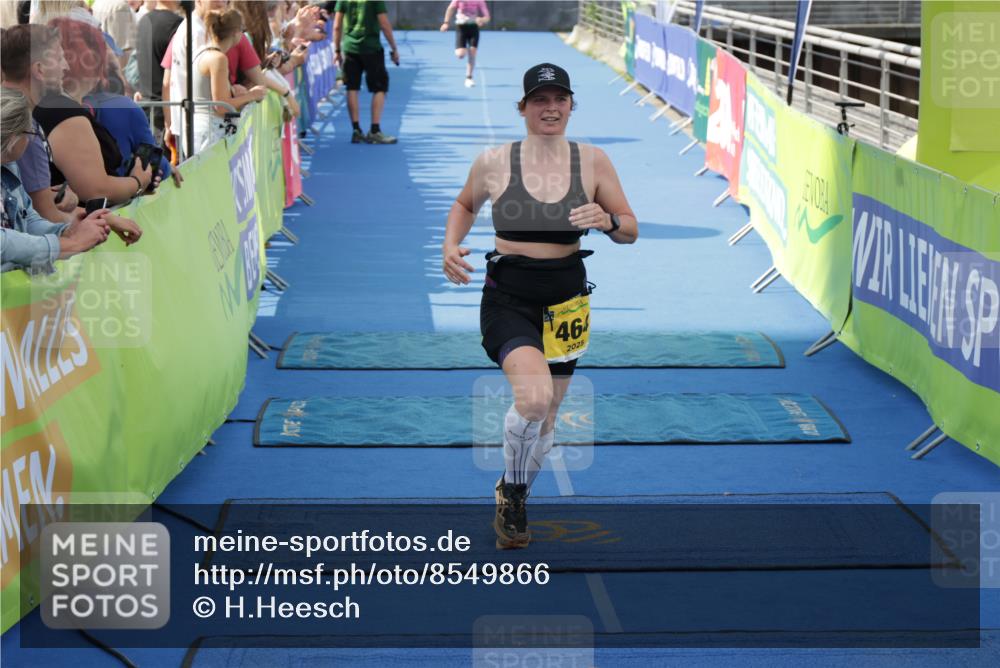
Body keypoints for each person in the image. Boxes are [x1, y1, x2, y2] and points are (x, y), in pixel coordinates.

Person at [442, 64, 638, 549]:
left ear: (571, 105)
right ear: (524, 107)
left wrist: (608, 220)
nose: (551, 108)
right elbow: (465, 205)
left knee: (546, 419)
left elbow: (631, 229)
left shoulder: (593, 161)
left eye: (560, 99)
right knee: (532, 399)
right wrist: (450, 245)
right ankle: (513, 492)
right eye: (540, 100)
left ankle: (514, 492)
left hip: (567, 302)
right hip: (509, 296)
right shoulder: (494, 161)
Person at [35, 16, 154, 204]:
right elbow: (96, 190)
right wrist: (138, 181)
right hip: (83, 226)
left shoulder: (56, 106)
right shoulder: (63, 113)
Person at [1, 88, 117, 274]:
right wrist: (71, 243)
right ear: (13, 137)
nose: (32, 140)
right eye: (30, 133)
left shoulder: (9, 165)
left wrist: (66, 231)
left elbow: (28, 218)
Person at [0, 23, 80, 222]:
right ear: (39, 69)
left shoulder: (21, 118)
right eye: (59, 58)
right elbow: (44, 216)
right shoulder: (25, 129)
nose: (66, 67)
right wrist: (97, 222)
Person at [191, 9, 266, 151]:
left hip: (203, 129)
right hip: (209, 133)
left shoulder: (204, 52)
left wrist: (233, 91)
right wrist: (252, 95)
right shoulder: (218, 59)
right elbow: (221, 106)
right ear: (237, 33)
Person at [332, 0, 399, 144]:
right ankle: (374, 130)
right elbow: (384, 24)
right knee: (380, 87)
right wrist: (394, 48)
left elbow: (337, 26)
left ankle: (356, 130)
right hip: (371, 48)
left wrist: (337, 50)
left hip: (350, 48)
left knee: (351, 87)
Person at [134, 0, 182, 138]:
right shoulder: (177, 24)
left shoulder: (144, 20)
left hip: (147, 107)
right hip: (167, 112)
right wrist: (170, 123)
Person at [439, 0, 489, 88]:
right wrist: (446, 23)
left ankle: (469, 77)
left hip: (474, 28)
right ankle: (462, 49)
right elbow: (450, 9)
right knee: (460, 55)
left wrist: (481, 19)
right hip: (461, 27)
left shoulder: (480, 1)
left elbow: (487, 17)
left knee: (472, 52)